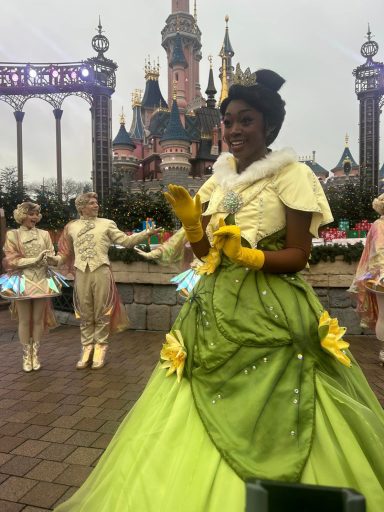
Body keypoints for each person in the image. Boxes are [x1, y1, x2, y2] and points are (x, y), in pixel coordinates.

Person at [55, 71, 384, 512]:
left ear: (268, 126)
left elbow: (299, 254)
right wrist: (194, 224)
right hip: (214, 305)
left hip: (273, 306)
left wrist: (254, 258)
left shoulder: (292, 174)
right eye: (228, 121)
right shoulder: (217, 180)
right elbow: (206, 251)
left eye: (245, 120)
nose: (233, 130)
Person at [50, 192, 159, 370]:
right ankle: (86, 348)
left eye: (96, 202)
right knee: (84, 312)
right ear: (82, 207)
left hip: (101, 271)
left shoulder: (106, 224)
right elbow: (64, 254)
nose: (96, 205)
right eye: (92, 203)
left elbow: (127, 241)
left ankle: (100, 348)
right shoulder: (72, 227)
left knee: (102, 310)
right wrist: (53, 260)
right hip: (81, 273)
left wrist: (146, 233)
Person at [0, 202, 64, 372]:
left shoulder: (44, 234)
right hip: (22, 280)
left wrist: (55, 259)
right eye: (30, 214)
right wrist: (34, 260)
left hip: (42, 279)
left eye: (36, 214)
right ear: (22, 216)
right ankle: (25, 355)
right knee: (24, 319)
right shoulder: (13, 235)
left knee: (37, 319)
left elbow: (50, 254)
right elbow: (11, 260)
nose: (34, 217)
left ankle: (35, 354)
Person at [349, 193, 384, 365]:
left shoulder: (377, 224)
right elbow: (377, 251)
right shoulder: (378, 225)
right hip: (381, 276)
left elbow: (375, 251)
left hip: (379, 276)